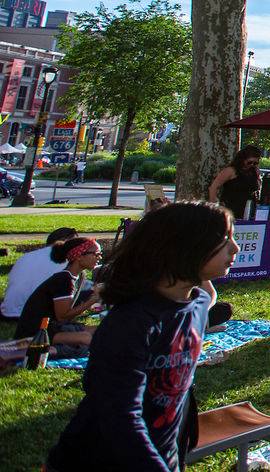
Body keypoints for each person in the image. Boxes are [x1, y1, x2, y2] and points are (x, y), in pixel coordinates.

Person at [45, 202, 238, 472]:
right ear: (182, 247)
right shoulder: (132, 322)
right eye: (223, 239)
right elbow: (118, 417)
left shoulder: (196, 305)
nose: (235, 248)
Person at [15, 237, 102, 359]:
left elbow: (66, 317)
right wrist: (92, 300)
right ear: (78, 256)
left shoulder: (79, 275)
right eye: (95, 254)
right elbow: (63, 316)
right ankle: (26, 351)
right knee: (87, 340)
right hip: (37, 332)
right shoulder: (64, 279)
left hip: (53, 326)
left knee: (99, 330)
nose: (99, 257)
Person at [2, 226, 77, 321]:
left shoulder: (26, 257)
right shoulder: (67, 260)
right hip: (38, 315)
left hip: (9, 312)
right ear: (66, 241)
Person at [208, 144, 263, 221]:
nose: (251, 165)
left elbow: (258, 187)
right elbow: (213, 187)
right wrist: (213, 202)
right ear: (243, 158)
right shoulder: (230, 171)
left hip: (248, 206)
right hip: (231, 207)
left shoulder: (255, 171)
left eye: (255, 163)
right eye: (249, 162)